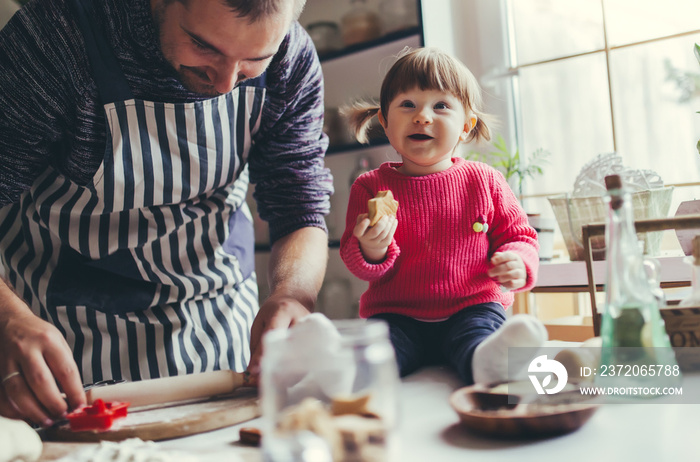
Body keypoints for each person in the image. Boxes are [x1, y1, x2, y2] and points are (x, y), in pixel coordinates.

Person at [0, 0, 333, 427]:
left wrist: (293, 294)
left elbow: (300, 203)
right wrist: (8, 320)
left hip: (223, 337)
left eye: (255, 60)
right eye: (203, 45)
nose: (226, 82)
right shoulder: (58, 37)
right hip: (66, 348)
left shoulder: (292, 59)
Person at [340, 47, 547, 385]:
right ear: (385, 122)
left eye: (440, 106)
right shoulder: (369, 186)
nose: (422, 116)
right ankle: (338, 367)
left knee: (478, 338)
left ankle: (490, 360)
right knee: (376, 360)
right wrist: (372, 248)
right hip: (397, 315)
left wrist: (519, 262)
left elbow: (520, 236)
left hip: (473, 307)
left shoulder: (485, 180)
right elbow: (356, 260)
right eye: (408, 105)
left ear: (466, 126)